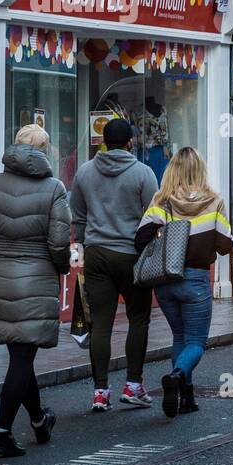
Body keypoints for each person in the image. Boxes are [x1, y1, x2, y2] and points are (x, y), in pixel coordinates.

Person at [0, 125, 70, 457]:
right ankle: (2, 432)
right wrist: (60, 266)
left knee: (19, 357)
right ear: (44, 150)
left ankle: (39, 420)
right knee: (22, 358)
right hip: (37, 277)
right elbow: (58, 242)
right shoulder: (54, 188)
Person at [69, 118, 159, 412]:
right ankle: (133, 385)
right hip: (132, 255)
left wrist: (84, 242)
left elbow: (78, 214)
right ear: (130, 142)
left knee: (101, 324)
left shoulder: (84, 172)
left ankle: (100, 392)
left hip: (96, 254)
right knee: (138, 318)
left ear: (104, 141)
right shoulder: (143, 173)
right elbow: (154, 216)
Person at [135, 147, 233, 418]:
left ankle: (186, 398)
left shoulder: (161, 200)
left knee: (179, 336)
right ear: (200, 171)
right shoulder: (214, 202)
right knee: (196, 341)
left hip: (165, 280)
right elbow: (225, 246)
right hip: (196, 280)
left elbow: (140, 239)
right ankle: (177, 376)